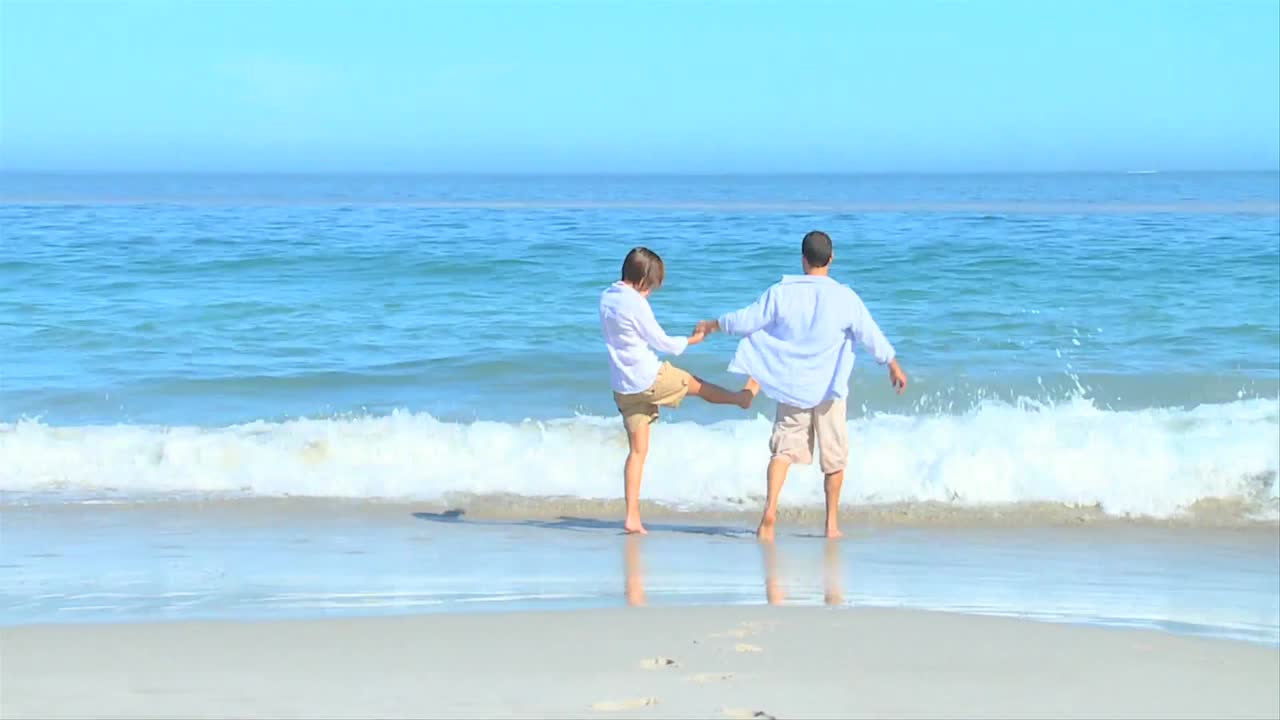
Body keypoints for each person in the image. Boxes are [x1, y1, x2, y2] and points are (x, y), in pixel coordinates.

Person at [697, 231, 907, 541]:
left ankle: (770, 509)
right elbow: (870, 334)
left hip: (791, 385)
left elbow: (746, 320)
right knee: (834, 460)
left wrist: (713, 324)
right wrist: (892, 364)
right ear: (831, 259)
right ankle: (831, 524)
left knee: (782, 451)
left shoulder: (781, 292)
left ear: (803, 259)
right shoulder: (845, 297)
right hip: (830, 390)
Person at [600, 247, 759, 534]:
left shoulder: (607, 297)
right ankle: (741, 399)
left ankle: (632, 518)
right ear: (642, 280)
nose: (650, 292)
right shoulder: (634, 303)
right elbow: (662, 342)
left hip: (622, 386)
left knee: (637, 452)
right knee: (695, 384)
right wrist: (695, 339)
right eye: (651, 286)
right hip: (648, 377)